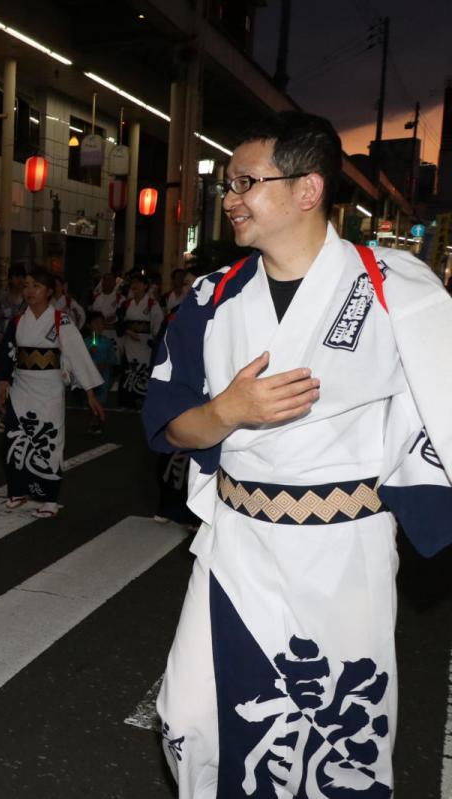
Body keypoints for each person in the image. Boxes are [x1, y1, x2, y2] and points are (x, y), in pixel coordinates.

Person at [143, 110, 452, 798]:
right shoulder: (212, 298)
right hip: (239, 545)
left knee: (337, 741)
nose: (230, 197)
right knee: (190, 720)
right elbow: (168, 427)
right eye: (228, 182)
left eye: (246, 181)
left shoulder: (395, 289)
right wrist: (228, 412)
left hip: (344, 553)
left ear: (308, 190)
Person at [0, 268, 106, 518]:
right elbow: (7, 352)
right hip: (22, 385)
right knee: (14, 437)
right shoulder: (18, 321)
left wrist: (89, 394)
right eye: (26, 285)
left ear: (49, 291)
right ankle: (18, 490)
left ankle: (49, 499)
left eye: (36, 286)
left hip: (48, 388)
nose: (29, 291)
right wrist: (3, 382)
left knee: (47, 441)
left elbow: (78, 356)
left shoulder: (60, 320)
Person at [116, 273, 164, 408]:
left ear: (145, 286)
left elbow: (158, 326)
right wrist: (128, 331)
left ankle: (143, 401)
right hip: (129, 344)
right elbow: (119, 323)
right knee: (128, 370)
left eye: (139, 283)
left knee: (143, 370)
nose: (135, 285)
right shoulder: (126, 304)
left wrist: (152, 339)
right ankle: (127, 401)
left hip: (145, 345)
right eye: (133, 283)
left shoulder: (152, 304)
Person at [83, 311, 117, 434]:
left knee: (101, 399)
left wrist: (112, 374)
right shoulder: (84, 342)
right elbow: (79, 360)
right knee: (91, 399)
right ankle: (92, 420)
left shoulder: (107, 342)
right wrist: (88, 353)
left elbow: (112, 359)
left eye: (101, 323)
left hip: (103, 376)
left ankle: (96, 421)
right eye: (96, 323)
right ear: (88, 325)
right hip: (89, 377)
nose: (99, 326)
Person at [0, 265, 27, 340]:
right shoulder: (3, 298)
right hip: (4, 340)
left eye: (23, 276)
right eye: (17, 276)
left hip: (24, 340)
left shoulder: (29, 298)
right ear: (10, 279)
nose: (20, 280)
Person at [89, 272, 121, 342]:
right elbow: (92, 319)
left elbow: (120, 320)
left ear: (114, 283)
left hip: (113, 335)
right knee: (95, 350)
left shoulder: (120, 299)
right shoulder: (96, 298)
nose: (107, 283)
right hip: (96, 334)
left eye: (110, 281)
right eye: (105, 280)